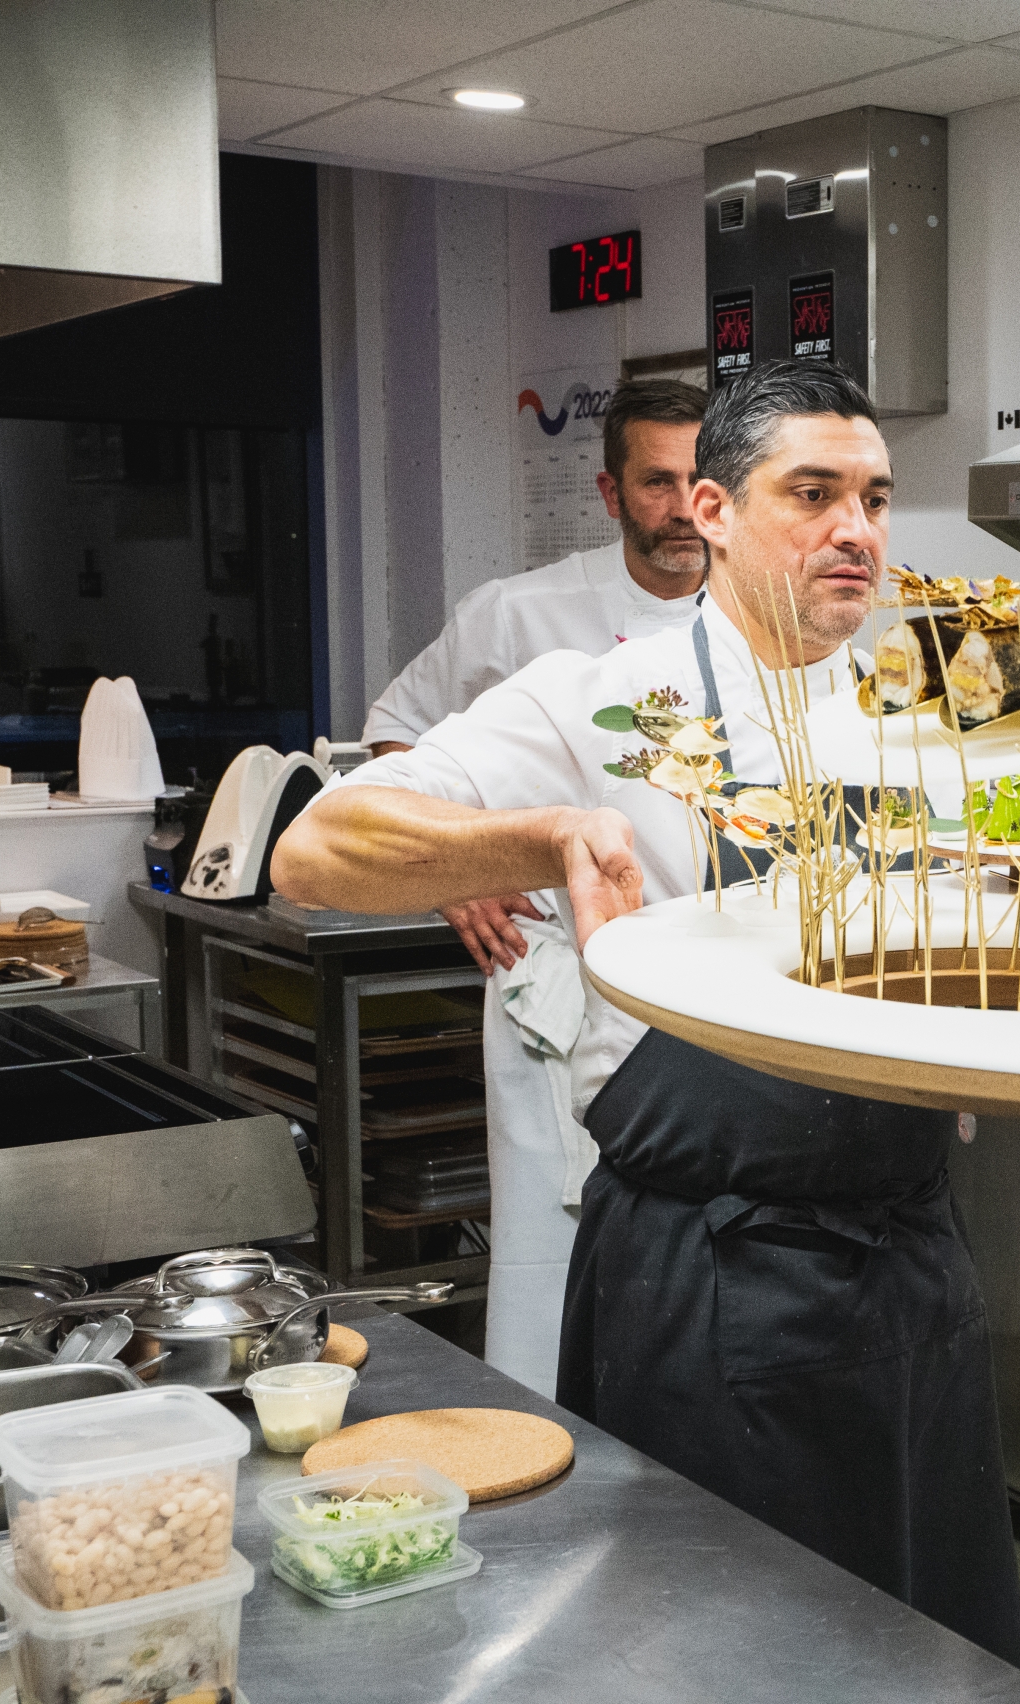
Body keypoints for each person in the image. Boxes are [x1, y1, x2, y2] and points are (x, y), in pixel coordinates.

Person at [271, 360, 1020, 1669]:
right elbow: (317, 848)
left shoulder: (916, 722)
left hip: (910, 1265)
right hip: (711, 1276)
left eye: (876, 498)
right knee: (718, 1662)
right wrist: (543, 831)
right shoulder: (611, 702)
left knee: (924, 1655)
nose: (856, 529)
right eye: (814, 494)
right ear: (718, 512)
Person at [359, 379, 705, 1401]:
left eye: (702, 481)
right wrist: (460, 868)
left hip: (712, 994)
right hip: (554, 976)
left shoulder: (763, 621)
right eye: (657, 482)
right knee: (553, 1247)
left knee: (691, 1258)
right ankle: (547, 1458)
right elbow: (394, 734)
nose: (683, 506)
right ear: (610, 491)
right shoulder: (523, 611)